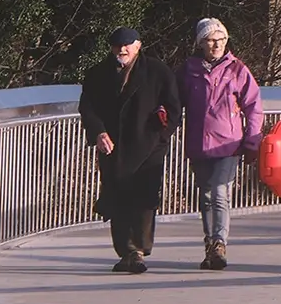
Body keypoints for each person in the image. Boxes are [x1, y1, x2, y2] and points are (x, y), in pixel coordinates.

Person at [78, 27, 180, 273]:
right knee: (117, 197)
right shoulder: (97, 74)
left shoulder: (158, 71)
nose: (121, 50)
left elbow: (174, 107)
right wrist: (99, 132)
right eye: (117, 45)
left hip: (149, 146)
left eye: (127, 45)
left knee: (144, 199)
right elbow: (87, 108)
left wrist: (161, 137)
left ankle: (139, 249)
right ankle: (127, 251)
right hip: (113, 146)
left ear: (138, 45)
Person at [179, 16, 264, 270]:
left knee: (219, 193)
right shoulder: (187, 71)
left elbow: (254, 107)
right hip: (199, 143)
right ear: (200, 43)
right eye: (211, 40)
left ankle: (219, 242)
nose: (217, 45)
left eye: (221, 40)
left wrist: (252, 140)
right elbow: (173, 101)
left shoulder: (237, 69)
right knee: (206, 196)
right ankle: (210, 244)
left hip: (229, 144)